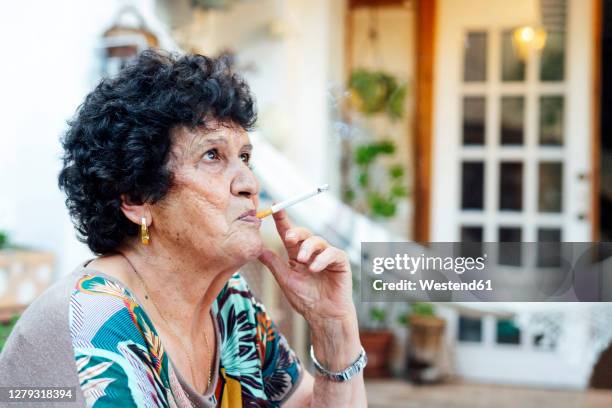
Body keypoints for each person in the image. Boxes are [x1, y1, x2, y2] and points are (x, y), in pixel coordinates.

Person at [0, 50, 367, 407]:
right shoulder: (99, 319)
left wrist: (335, 329)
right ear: (137, 198)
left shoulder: (229, 301)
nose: (250, 184)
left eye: (244, 157)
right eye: (212, 155)